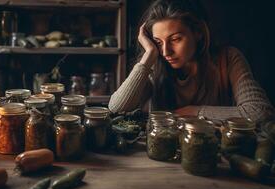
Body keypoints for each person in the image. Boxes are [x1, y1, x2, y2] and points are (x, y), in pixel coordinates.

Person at [108, 0, 274, 122]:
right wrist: (149, 54)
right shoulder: (154, 63)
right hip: (163, 153)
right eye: (158, 42)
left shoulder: (229, 58)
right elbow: (117, 108)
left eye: (176, 39)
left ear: (198, 33)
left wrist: (195, 111)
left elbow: (260, 112)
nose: (166, 51)